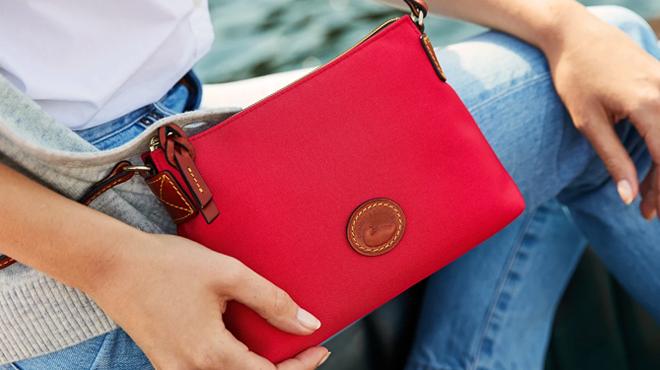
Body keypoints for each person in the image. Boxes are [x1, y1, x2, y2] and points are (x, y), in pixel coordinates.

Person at [0, 1, 659, 370]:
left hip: (129, 170)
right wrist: (118, 269)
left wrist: (558, 25)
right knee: (614, 95)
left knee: (580, 67)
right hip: (89, 255)